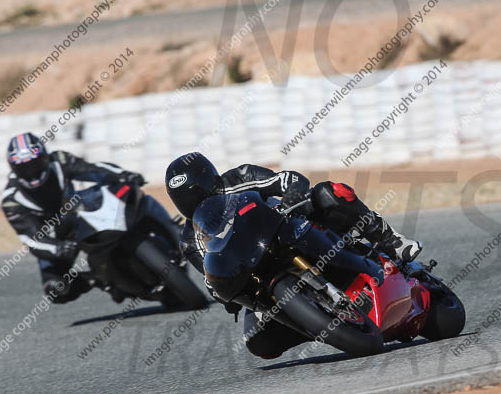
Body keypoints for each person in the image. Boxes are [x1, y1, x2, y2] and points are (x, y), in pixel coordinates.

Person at [165, 152, 422, 358]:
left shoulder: (240, 177)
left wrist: (292, 197)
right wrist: (223, 292)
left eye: (195, 192)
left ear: (210, 178)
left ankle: (391, 241)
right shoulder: (190, 240)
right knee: (258, 342)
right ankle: (320, 323)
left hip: (293, 229)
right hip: (258, 271)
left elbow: (288, 179)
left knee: (328, 193)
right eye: (182, 199)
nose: (192, 202)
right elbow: (211, 276)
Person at [2, 132, 144, 303]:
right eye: (23, 169)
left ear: (45, 158)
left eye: (35, 165)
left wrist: (124, 174)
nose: (31, 173)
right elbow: (32, 239)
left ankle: (147, 231)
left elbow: (91, 169)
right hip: (56, 239)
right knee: (55, 290)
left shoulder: (59, 161)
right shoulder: (12, 201)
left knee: (123, 194)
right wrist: (58, 248)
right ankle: (97, 279)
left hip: (79, 214)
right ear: (13, 168)